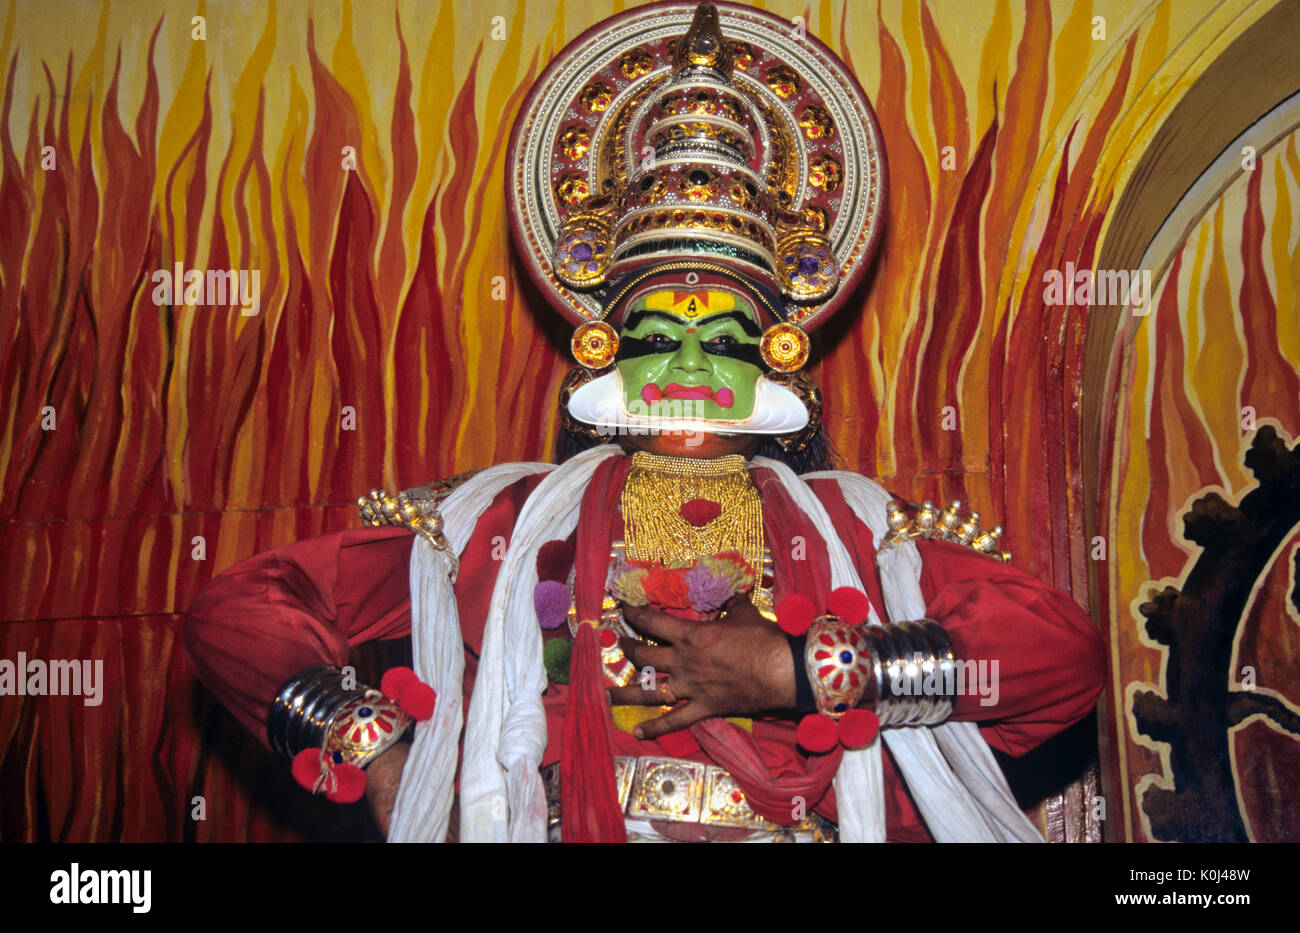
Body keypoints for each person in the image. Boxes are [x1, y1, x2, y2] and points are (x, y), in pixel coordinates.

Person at [184, 2, 1105, 843]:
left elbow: (1059, 660)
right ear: (605, 351)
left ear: (775, 357)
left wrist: (805, 668)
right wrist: (374, 746)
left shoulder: (858, 530)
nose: (694, 370)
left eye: (726, 342)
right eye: (660, 338)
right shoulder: (498, 523)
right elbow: (238, 613)